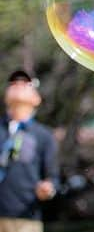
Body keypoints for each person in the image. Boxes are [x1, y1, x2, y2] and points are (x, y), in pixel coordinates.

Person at [0, 71, 59, 232]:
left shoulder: (44, 135)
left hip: (26, 219)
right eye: (13, 83)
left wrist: (47, 189)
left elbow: (53, 177)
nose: (18, 85)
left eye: (26, 84)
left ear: (36, 99)